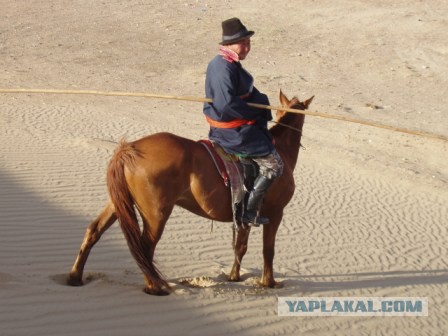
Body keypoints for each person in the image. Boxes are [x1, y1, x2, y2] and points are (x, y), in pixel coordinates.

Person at [203, 17, 283, 226]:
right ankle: (247, 211)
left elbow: (244, 92)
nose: (247, 47)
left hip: (237, 123)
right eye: (243, 43)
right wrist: (254, 114)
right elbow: (226, 105)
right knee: (274, 165)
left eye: (249, 42)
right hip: (232, 132)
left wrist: (262, 103)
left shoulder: (229, 63)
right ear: (229, 44)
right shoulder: (223, 68)